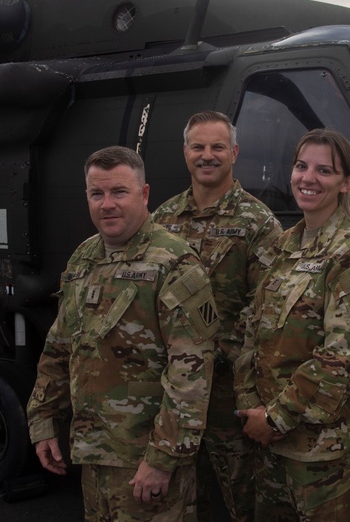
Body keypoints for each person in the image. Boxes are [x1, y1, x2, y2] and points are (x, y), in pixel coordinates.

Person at [27, 146, 219, 522]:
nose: (107, 204)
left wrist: (163, 460)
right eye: (97, 194)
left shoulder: (175, 263)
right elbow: (60, 347)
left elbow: (191, 375)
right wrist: (43, 419)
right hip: (94, 454)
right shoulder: (84, 258)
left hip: (144, 462)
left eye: (119, 192)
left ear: (144, 194)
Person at [234, 128, 350, 521]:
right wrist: (251, 406)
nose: (308, 178)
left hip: (321, 451)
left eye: (324, 170)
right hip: (268, 440)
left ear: (346, 182)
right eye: (302, 166)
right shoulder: (285, 245)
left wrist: (276, 418)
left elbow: (341, 356)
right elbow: (253, 332)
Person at [152, 111, 283, 522]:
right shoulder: (162, 221)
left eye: (217, 147)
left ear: (234, 152)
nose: (207, 156)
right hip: (174, 394)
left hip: (229, 393)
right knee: (181, 499)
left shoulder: (258, 223)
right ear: (185, 152)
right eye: (198, 147)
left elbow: (266, 310)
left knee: (244, 500)